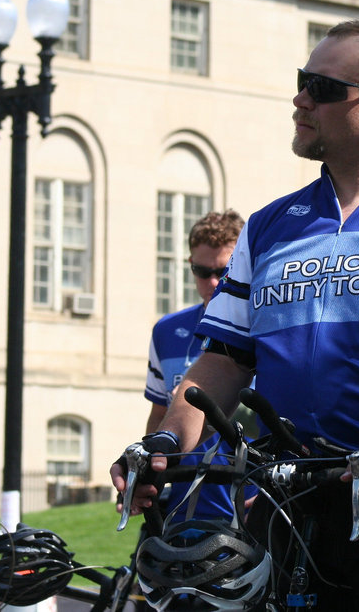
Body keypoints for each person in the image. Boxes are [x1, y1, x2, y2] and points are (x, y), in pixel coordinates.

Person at [112, 19, 359, 611]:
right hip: (288, 503)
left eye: (323, 88)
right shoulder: (270, 225)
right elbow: (222, 363)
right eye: (302, 82)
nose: (300, 99)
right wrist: (166, 442)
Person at [140, 209, 254, 523]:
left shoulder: (263, 325)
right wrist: (148, 471)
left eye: (223, 270)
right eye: (202, 271)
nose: (213, 282)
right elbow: (158, 415)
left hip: (248, 501)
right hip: (178, 504)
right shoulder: (166, 330)